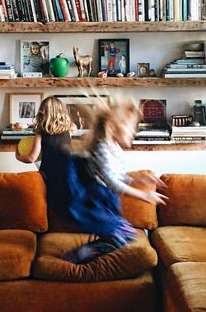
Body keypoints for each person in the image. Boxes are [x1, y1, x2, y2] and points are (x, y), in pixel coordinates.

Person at [61, 97, 167, 264]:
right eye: (130, 127)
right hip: (96, 200)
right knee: (124, 233)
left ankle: (84, 254)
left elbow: (119, 176)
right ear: (114, 124)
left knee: (125, 234)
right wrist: (143, 195)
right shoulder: (101, 147)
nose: (133, 132)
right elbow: (111, 181)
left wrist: (140, 179)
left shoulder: (113, 148)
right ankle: (79, 255)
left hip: (107, 199)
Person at [15, 96, 76, 208]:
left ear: (42, 113)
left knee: (48, 203)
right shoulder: (69, 130)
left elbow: (31, 158)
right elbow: (71, 126)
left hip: (48, 175)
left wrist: (18, 156)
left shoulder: (40, 134)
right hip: (67, 174)